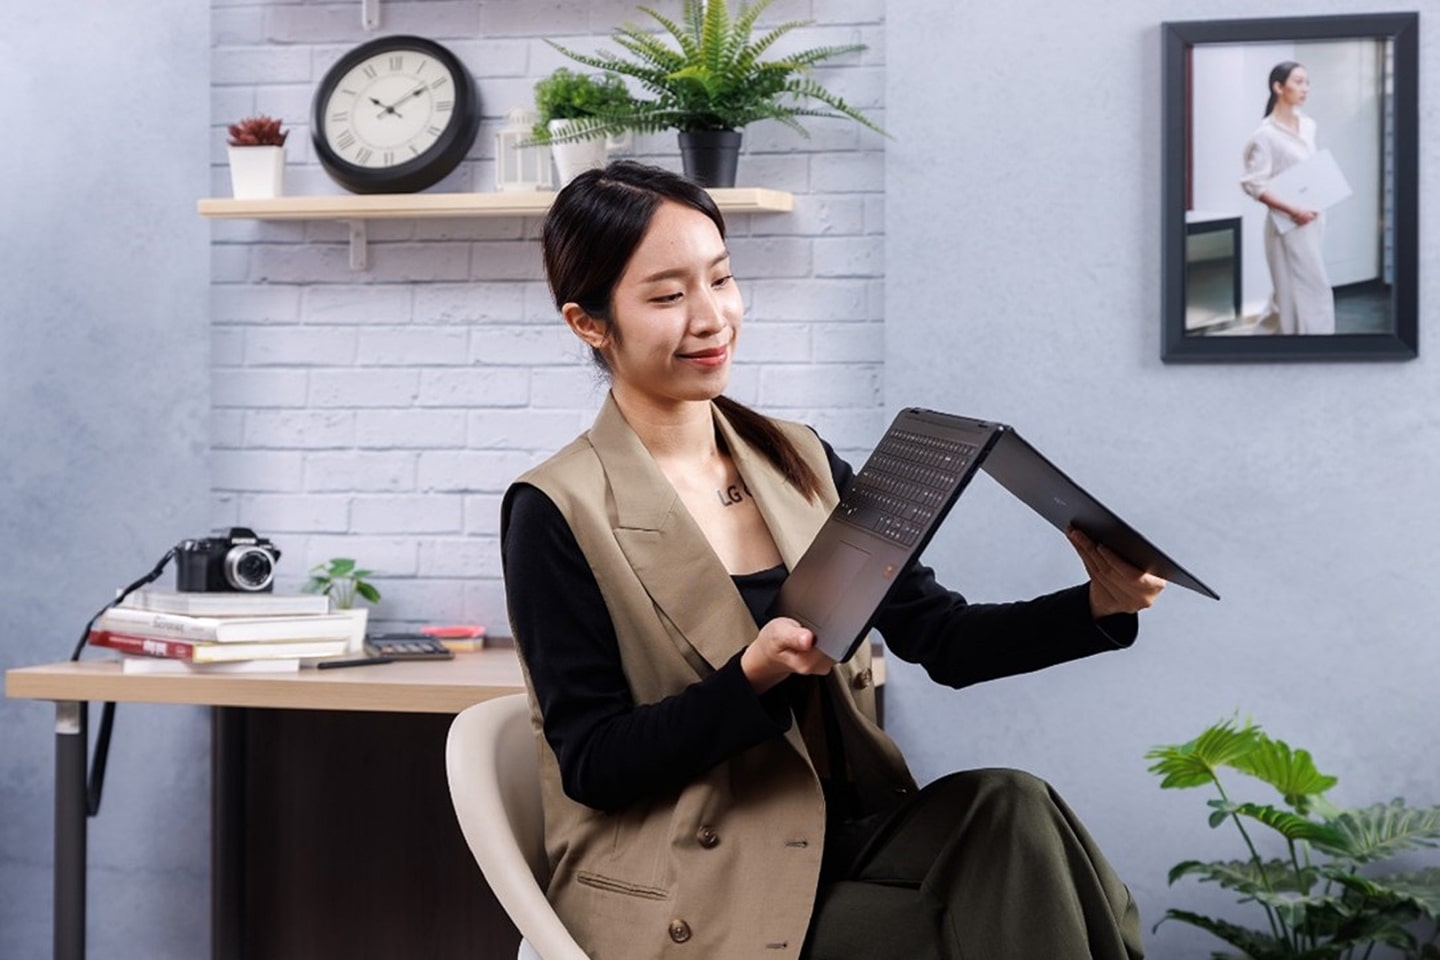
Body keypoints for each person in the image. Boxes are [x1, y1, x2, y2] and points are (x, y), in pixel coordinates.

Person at [500, 160, 1164, 960]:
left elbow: (944, 640)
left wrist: (1101, 602)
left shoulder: (800, 459)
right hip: (695, 876)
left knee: (1013, 809)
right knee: (1004, 921)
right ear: (590, 323)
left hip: (840, 838)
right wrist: (752, 676)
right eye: (669, 296)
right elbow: (595, 764)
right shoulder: (555, 508)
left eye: (722, 278)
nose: (712, 318)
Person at [1239, 60, 1337, 335]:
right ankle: (1317, 348)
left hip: (1313, 219)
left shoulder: (1308, 126)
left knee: (1288, 289)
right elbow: (1254, 185)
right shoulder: (1265, 135)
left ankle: (1263, 340)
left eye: (1307, 82)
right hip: (1288, 224)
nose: (1305, 88)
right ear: (1278, 87)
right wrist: (1293, 209)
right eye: (1298, 82)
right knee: (1313, 288)